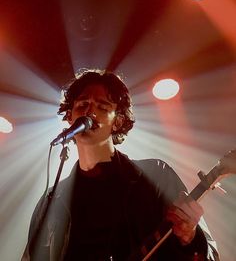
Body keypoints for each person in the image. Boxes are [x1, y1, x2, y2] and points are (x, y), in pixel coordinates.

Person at [22, 68, 219, 261]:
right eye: (82, 105)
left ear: (118, 122)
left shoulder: (155, 176)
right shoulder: (52, 199)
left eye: (102, 107)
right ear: (70, 116)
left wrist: (190, 238)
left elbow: (209, 255)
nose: (89, 112)